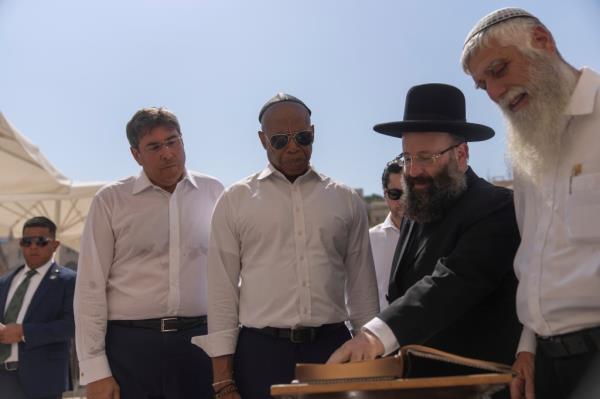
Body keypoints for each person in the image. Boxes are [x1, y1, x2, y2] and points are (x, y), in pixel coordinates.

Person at [328, 84, 522, 397]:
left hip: (480, 388)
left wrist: (374, 337)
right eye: (406, 158)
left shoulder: (496, 208)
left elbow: (451, 283)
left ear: (461, 154)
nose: (414, 171)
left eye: (427, 157)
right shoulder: (419, 211)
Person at [194, 93, 379, 399]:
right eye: (280, 140)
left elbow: (363, 289)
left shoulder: (346, 200)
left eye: (303, 137)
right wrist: (223, 380)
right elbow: (222, 293)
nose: (294, 146)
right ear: (262, 139)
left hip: (332, 348)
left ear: (314, 132)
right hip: (260, 353)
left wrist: (371, 364)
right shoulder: (235, 201)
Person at [461, 8, 600, 399]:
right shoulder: (526, 155)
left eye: (499, 69)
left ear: (542, 40)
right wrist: (528, 346)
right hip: (546, 366)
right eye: (481, 85)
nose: (493, 93)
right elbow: (537, 261)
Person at [74, 107, 224, 399]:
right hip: (130, 350)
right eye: (154, 146)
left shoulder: (215, 193)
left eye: (173, 141)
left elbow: (230, 276)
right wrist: (95, 372)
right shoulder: (110, 201)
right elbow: (90, 288)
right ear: (136, 155)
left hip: (200, 346)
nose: (167, 153)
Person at [0, 216, 75, 399]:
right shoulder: (5, 281)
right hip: (4, 379)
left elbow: (72, 326)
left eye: (41, 241)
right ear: (21, 244)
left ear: (55, 245)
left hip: (43, 379)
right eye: (27, 241)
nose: (33, 246)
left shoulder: (69, 280)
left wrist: (24, 332)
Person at [369, 160, 404, 310]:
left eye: (409, 192)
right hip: (380, 330)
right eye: (396, 194)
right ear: (385, 195)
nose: (403, 200)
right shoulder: (369, 240)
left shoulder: (435, 236)